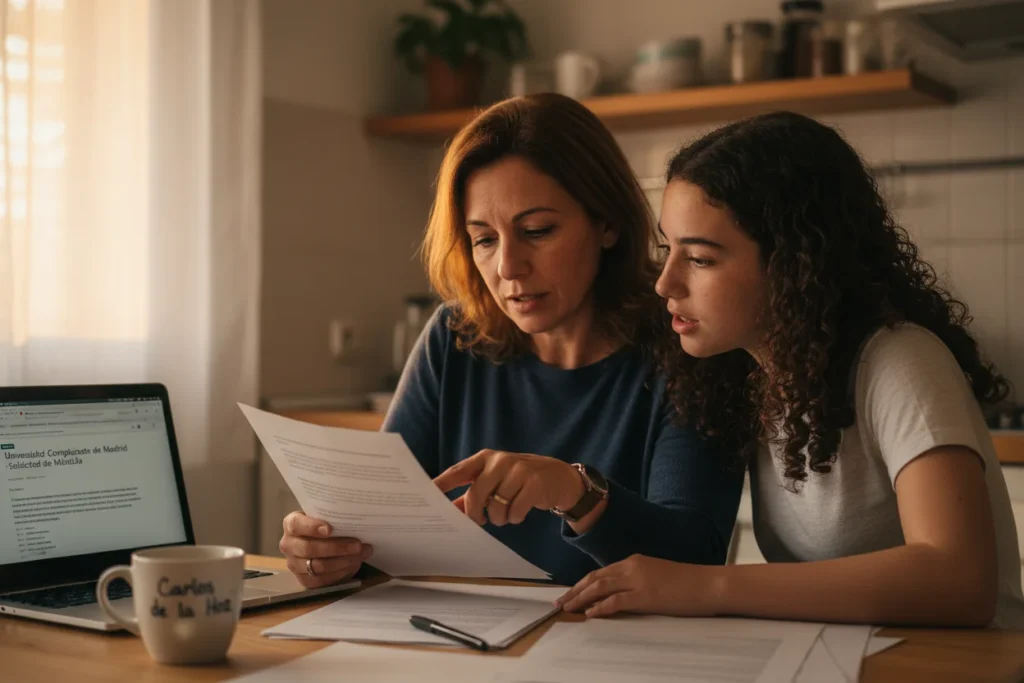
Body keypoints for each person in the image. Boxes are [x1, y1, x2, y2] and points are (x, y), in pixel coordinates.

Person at [558, 111, 1024, 629]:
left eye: (702, 259)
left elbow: (959, 580)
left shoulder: (899, 361)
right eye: (669, 250)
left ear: (793, 264)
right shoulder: (751, 379)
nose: (665, 284)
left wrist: (708, 586)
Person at [277, 93, 743, 587]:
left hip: (619, 648)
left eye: (537, 231)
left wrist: (575, 491)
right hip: (464, 642)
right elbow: (384, 531)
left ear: (607, 222)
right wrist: (330, 549)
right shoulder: (454, 337)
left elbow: (695, 557)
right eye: (483, 239)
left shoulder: (689, 341)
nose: (507, 268)